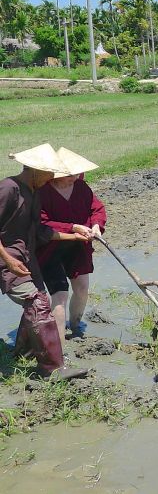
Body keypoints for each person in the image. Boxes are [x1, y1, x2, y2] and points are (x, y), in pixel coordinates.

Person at [1, 144, 88, 380]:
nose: (52, 179)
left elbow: (40, 230)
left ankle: (21, 352)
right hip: (7, 259)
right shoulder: (9, 188)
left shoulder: (34, 192)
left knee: (38, 302)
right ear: (36, 170)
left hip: (26, 258)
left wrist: (73, 235)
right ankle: (52, 368)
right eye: (50, 173)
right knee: (37, 305)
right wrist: (7, 260)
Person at [37, 148, 105, 341]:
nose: (74, 177)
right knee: (60, 295)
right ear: (55, 175)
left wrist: (96, 225)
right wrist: (73, 227)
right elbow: (41, 223)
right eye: (69, 175)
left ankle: (75, 328)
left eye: (76, 173)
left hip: (78, 247)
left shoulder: (82, 187)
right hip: (50, 249)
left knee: (82, 288)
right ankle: (57, 347)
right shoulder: (41, 192)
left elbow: (97, 209)